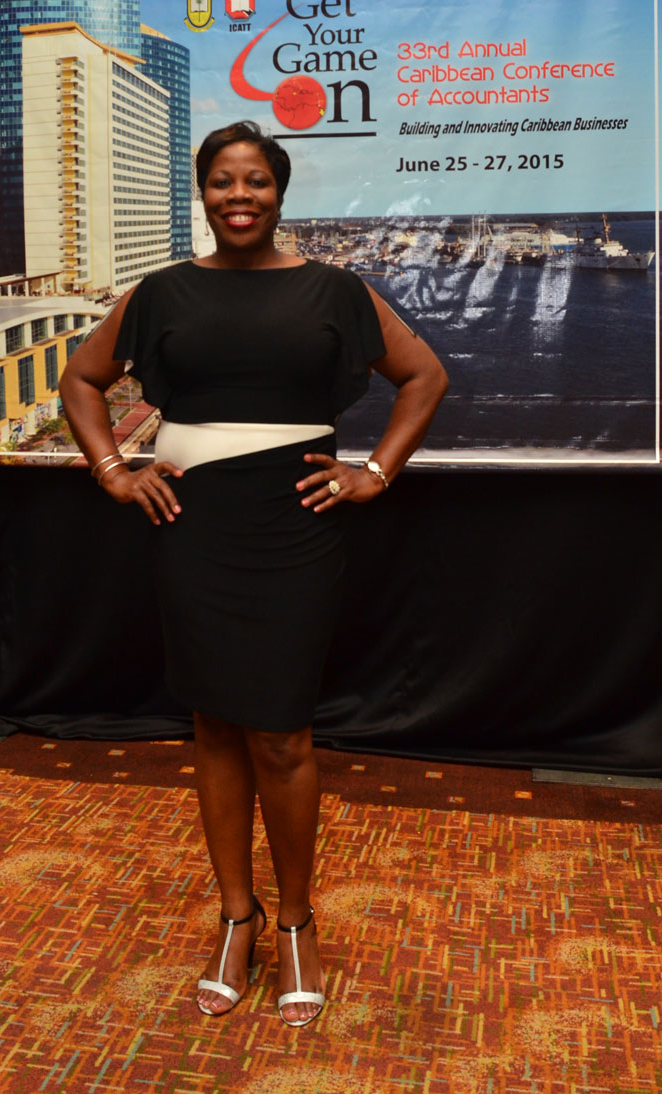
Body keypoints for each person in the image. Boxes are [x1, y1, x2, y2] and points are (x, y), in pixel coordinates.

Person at [59, 121, 447, 1027]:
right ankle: (238, 916)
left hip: (294, 524)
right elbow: (81, 381)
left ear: (280, 191)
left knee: (282, 734)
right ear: (202, 193)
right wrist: (113, 470)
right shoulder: (161, 291)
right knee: (214, 727)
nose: (240, 196)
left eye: (257, 181)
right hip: (192, 525)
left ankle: (298, 920)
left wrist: (375, 472)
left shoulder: (335, 288)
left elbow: (424, 377)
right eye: (223, 181)